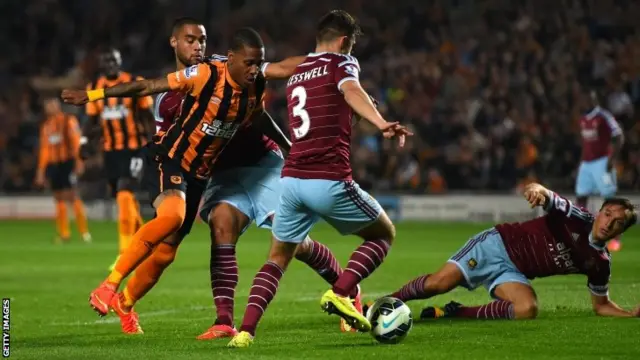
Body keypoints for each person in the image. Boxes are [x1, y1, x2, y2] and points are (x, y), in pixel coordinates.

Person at [61, 27, 280, 323]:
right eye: (249, 63)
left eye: (259, 63)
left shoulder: (254, 88)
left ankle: (125, 304)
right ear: (232, 58)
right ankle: (108, 285)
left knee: (165, 254)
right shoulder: (205, 75)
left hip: (199, 177)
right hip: (169, 160)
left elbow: (260, 116)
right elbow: (147, 87)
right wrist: (93, 95)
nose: (254, 70)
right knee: (172, 217)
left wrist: (289, 148)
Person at [227, 10, 412, 348]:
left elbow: (269, 68)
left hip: (292, 180)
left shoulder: (300, 68)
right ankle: (341, 293)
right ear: (344, 41)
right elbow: (352, 89)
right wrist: (381, 122)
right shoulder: (343, 64)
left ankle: (245, 332)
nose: (352, 52)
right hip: (328, 179)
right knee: (383, 234)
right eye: (351, 45)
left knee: (277, 258)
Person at [386, 182, 639, 321]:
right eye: (607, 214)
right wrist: (536, 191)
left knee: (527, 309)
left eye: (618, 222)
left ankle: (456, 312)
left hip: (514, 272)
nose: (609, 223)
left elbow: (601, 306)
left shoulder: (600, 263)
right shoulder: (576, 218)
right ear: (599, 211)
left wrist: (630, 315)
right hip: (496, 245)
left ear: (621, 231)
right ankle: (383, 303)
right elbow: (547, 194)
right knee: (437, 285)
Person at [83, 48, 155, 268]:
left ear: (120, 61)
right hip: (111, 151)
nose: (111, 64)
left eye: (114, 60)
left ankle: (125, 253)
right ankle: (146, 242)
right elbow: (91, 120)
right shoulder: (94, 88)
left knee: (125, 193)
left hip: (135, 148)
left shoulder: (134, 82)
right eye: (107, 61)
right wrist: (84, 142)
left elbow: (147, 116)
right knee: (124, 199)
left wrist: (155, 142)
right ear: (102, 65)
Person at [35, 97, 91, 243]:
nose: (49, 108)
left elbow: (76, 141)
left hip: (68, 162)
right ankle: (64, 233)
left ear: (57, 106)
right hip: (54, 165)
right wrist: (41, 171)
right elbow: (44, 150)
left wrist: (79, 162)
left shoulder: (69, 121)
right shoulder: (46, 126)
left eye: (51, 105)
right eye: (47, 106)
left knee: (72, 196)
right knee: (58, 197)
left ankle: (84, 232)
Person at [575, 91, 624, 252]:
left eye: (586, 98)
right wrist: (581, 162)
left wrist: (611, 160)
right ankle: (582, 233)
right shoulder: (582, 119)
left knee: (610, 199)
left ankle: (616, 237)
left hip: (602, 162)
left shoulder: (603, 116)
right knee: (581, 197)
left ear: (593, 99)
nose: (583, 102)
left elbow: (619, 136)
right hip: (586, 164)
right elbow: (585, 143)